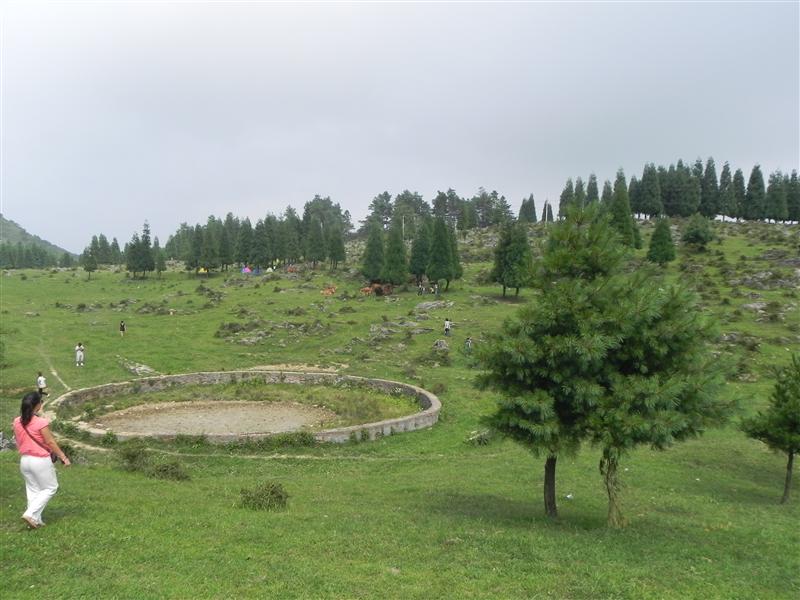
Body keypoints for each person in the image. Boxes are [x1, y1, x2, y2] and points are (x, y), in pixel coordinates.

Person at [13, 391, 71, 528]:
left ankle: (35, 520)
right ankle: (30, 514)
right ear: (37, 405)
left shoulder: (17, 421)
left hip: (25, 460)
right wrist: (63, 457)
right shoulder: (40, 422)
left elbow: (18, 440)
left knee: (33, 490)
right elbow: (50, 442)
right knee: (51, 487)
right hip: (39, 460)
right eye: (41, 402)